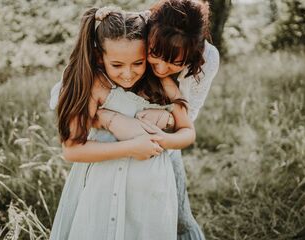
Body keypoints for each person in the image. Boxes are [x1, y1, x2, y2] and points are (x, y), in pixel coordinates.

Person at [49, 6, 195, 240]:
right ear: (100, 56)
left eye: (138, 63)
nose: (128, 73)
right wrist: (131, 147)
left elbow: (188, 131)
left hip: (151, 191)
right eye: (117, 65)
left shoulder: (163, 83)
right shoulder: (94, 85)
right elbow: (71, 149)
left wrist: (165, 139)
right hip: (103, 188)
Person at [93, 0, 220, 239]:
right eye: (154, 55)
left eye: (175, 62)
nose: (161, 68)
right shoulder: (142, 26)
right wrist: (105, 118)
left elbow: (188, 117)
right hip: (114, 141)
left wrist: (165, 119)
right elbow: (67, 93)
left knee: (178, 217)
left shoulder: (208, 59)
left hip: (164, 144)